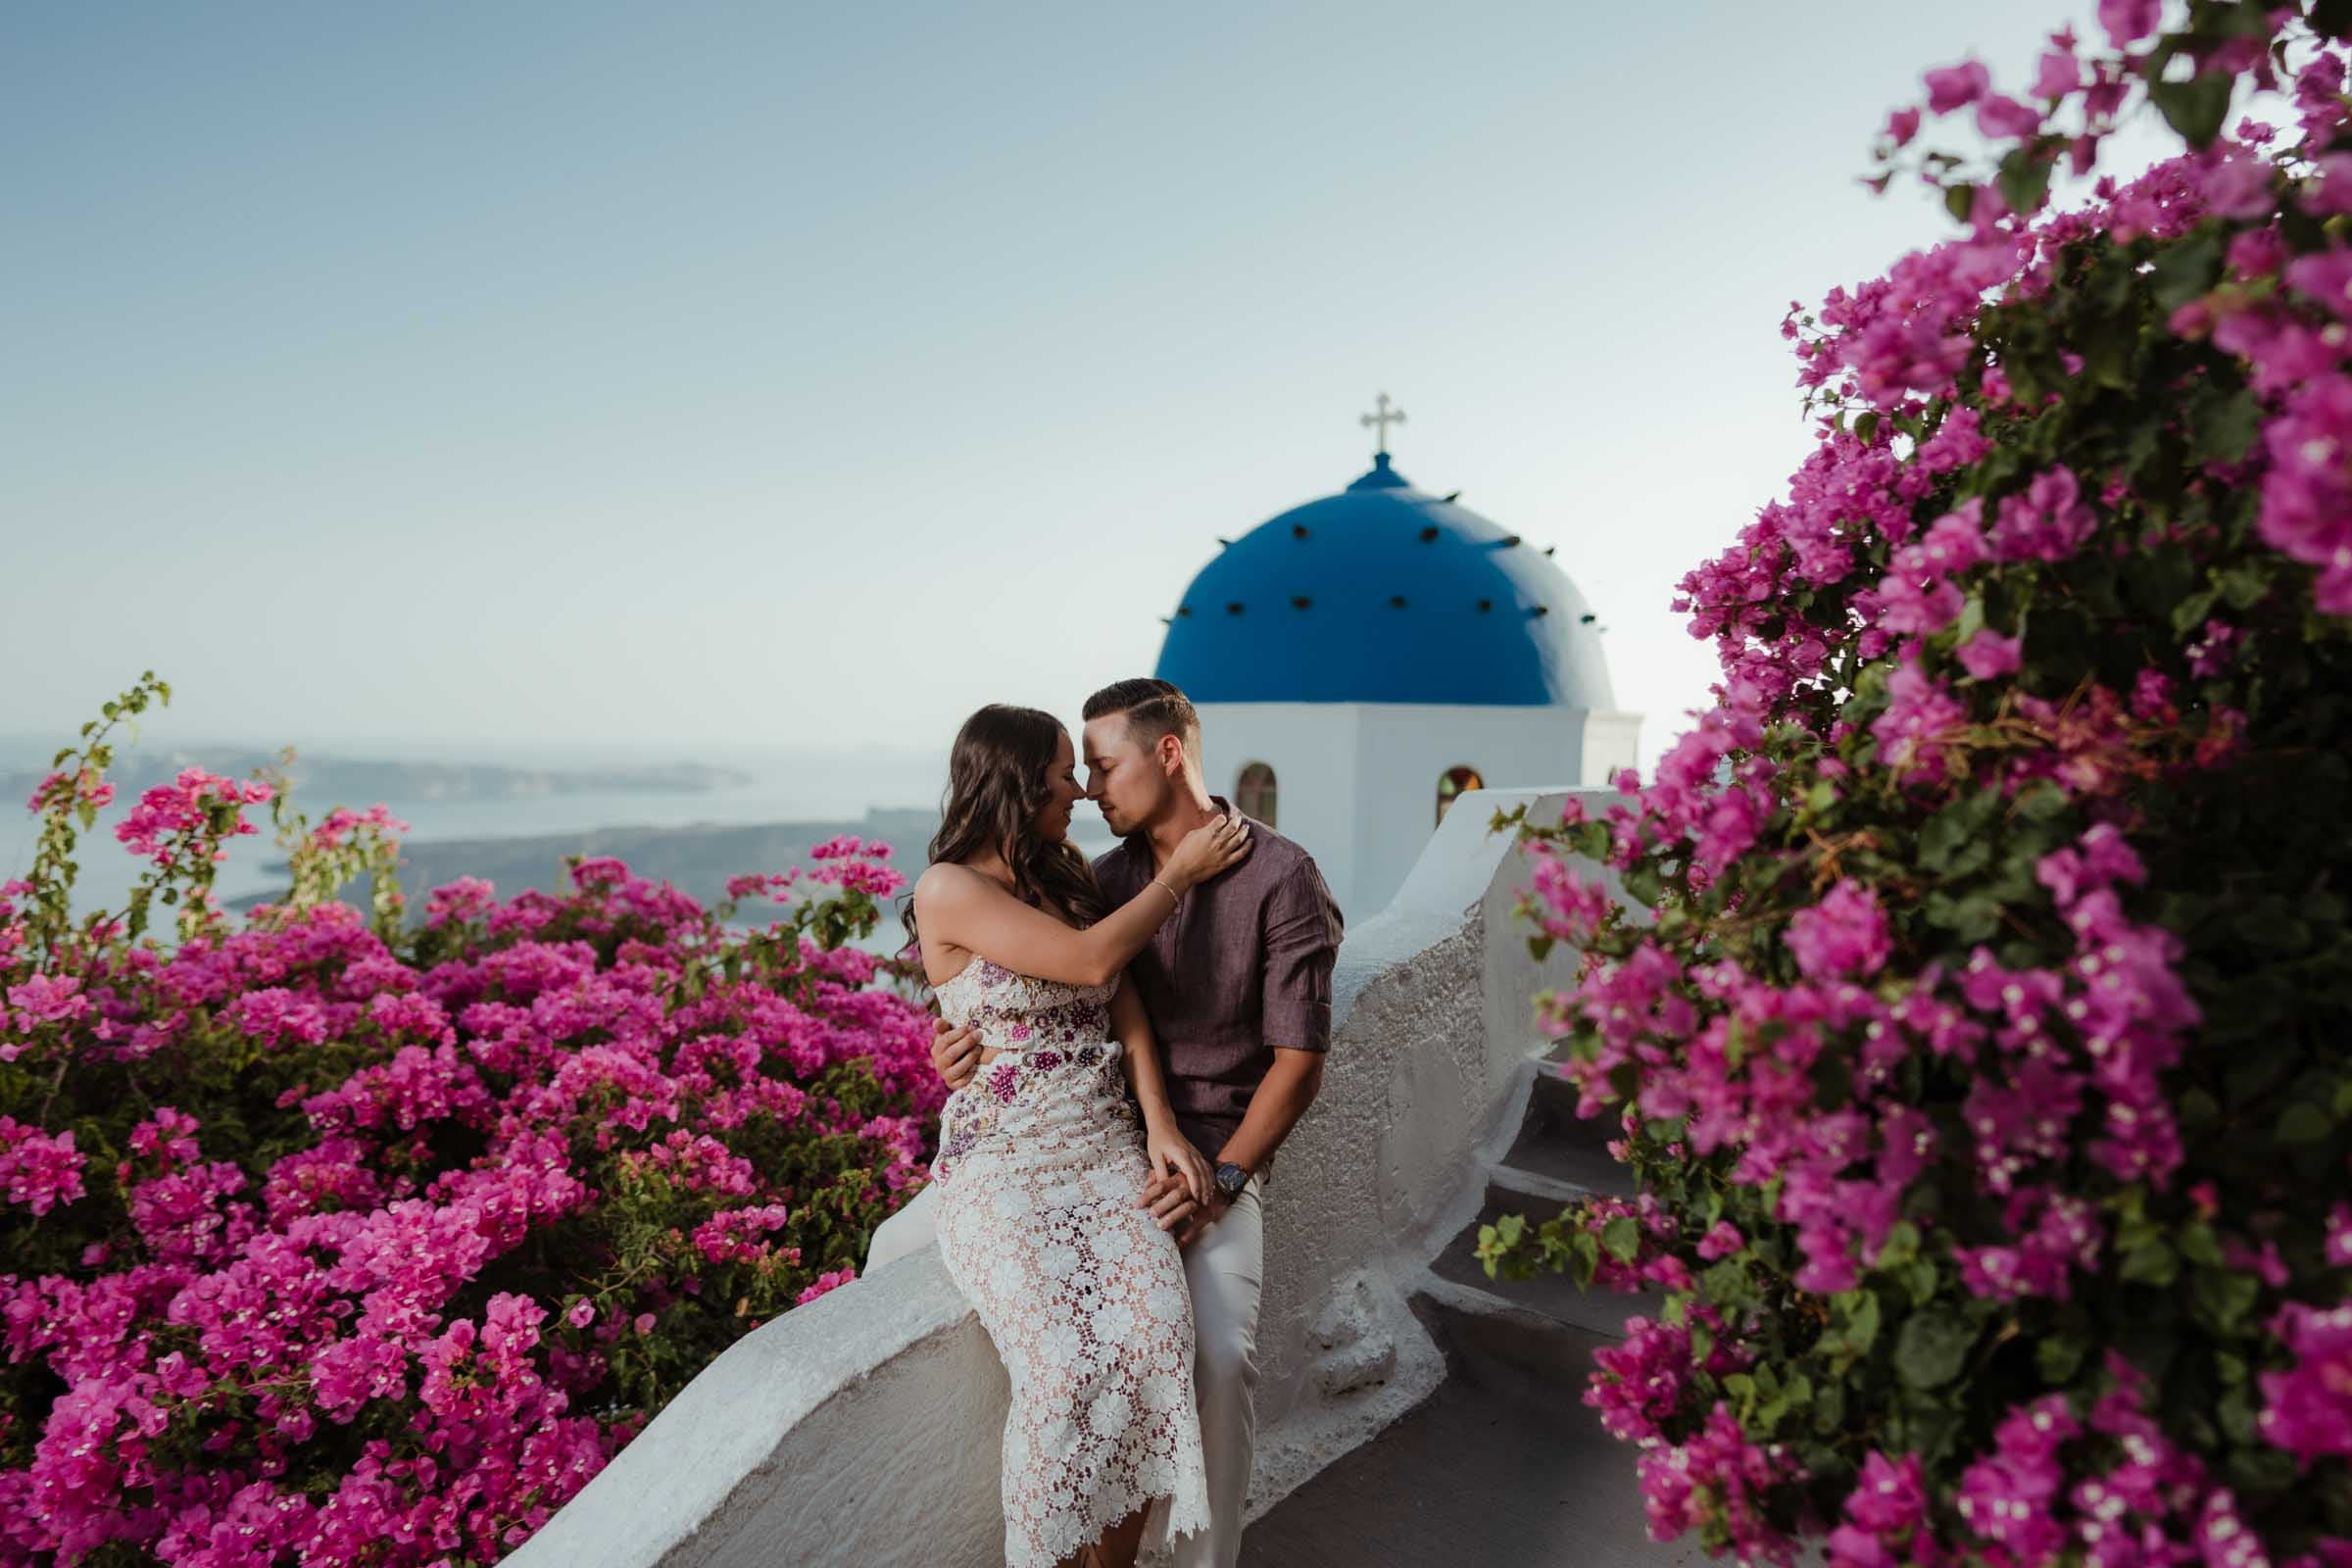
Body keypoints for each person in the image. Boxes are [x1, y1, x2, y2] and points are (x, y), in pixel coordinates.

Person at [931, 678, 1345, 1568]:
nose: (1087, 790)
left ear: (1167, 754)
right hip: (1098, 1153)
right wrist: (960, 1040)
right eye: (1071, 774)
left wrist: (1224, 1181)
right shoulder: (1096, 878)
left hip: (1216, 1158)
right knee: (1082, 1365)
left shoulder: (1282, 877)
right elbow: (1071, 980)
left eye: (1102, 767)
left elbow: (1299, 1064)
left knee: (1214, 1355)